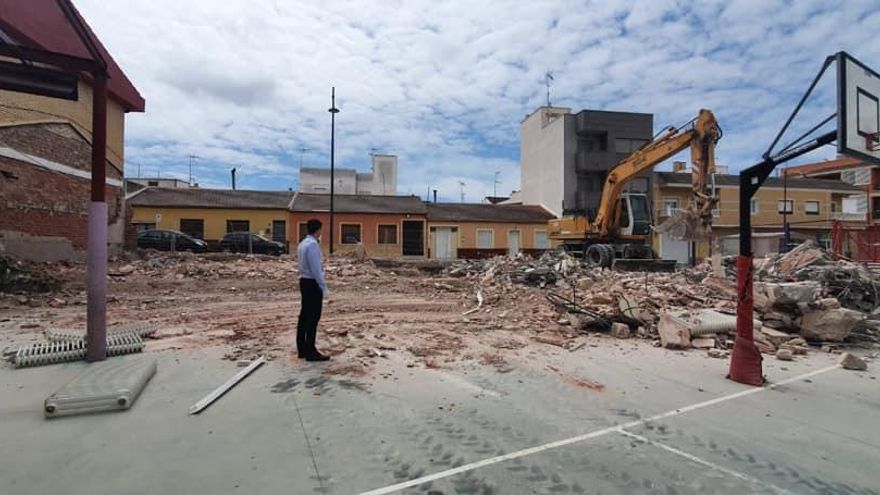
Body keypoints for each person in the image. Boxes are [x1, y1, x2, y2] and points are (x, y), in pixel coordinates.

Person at [296, 219, 330, 361]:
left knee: (304, 316)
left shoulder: (302, 243)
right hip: (312, 283)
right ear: (318, 230)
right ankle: (311, 351)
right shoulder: (313, 245)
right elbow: (316, 269)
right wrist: (324, 287)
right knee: (313, 318)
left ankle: (302, 348)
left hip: (304, 281)